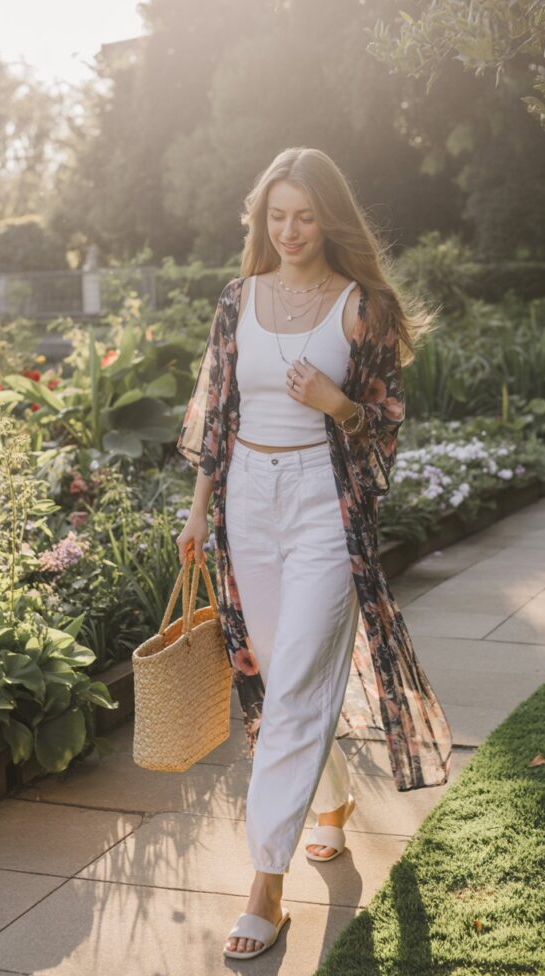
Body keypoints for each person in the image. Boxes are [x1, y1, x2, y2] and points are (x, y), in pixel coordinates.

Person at [175, 147, 453, 961]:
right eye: (277, 216)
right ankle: (329, 805)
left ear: (329, 218)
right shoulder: (239, 300)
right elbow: (216, 415)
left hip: (323, 504)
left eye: (304, 216)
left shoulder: (362, 307)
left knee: (297, 681)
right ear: (261, 218)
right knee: (279, 673)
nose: (290, 231)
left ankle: (266, 883)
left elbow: (383, 424)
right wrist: (198, 512)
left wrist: (337, 403)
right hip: (246, 499)